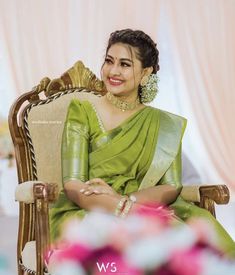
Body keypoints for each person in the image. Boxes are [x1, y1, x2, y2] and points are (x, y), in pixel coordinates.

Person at [50, 29, 235, 257]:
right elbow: (73, 184)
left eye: (125, 64)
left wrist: (127, 202)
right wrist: (121, 209)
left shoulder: (163, 124)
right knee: (143, 242)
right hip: (90, 208)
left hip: (145, 206)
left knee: (201, 244)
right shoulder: (82, 111)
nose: (113, 71)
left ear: (145, 73)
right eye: (109, 61)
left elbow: (171, 186)